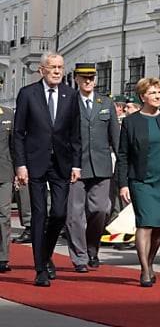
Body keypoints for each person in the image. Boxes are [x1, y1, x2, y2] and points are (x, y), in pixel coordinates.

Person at [12, 52, 82, 288]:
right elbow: (18, 133)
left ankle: (45, 254)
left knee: (59, 213)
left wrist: (76, 164)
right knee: (39, 213)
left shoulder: (70, 95)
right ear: (41, 70)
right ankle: (40, 269)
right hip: (35, 162)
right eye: (52, 67)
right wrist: (20, 164)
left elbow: (75, 133)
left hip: (62, 162)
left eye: (60, 67)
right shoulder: (27, 94)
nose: (57, 71)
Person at [115, 78, 160, 287]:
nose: (157, 96)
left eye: (159, 92)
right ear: (143, 96)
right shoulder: (131, 122)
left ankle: (150, 262)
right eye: (153, 93)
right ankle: (145, 270)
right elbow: (123, 155)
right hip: (141, 180)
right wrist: (123, 184)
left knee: (159, 227)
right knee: (145, 223)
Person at [65, 63, 119, 272]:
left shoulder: (105, 102)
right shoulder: (69, 102)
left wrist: (123, 164)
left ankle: (92, 248)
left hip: (101, 166)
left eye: (91, 77)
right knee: (75, 215)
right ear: (76, 79)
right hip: (75, 166)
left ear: (95, 80)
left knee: (100, 210)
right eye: (83, 77)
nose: (88, 81)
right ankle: (79, 257)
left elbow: (115, 136)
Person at [0, 103, 13, 273]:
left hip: (4, 171)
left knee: (4, 215)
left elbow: (14, 144)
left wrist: (18, 170)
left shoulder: (8, 114)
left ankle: (2, 257)